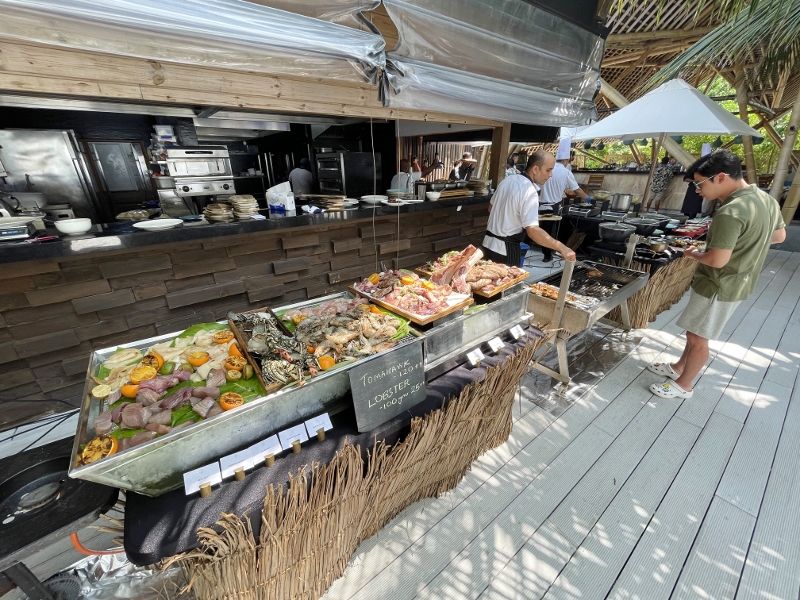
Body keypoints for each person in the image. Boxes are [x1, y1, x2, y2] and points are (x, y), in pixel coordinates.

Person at [647, 149, 786, 399]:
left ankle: (684, 385)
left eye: (699, 184)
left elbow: (716, 260)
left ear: (721, 177)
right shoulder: (766, 200)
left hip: (718, 284)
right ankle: (679, 367)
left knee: (697, 337)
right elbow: (778, 236)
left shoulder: (732, 211)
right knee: (696, 330)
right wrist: (745, 247)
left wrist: (693, 254)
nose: (697, 190)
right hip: (740, 280)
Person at [482, 151, 576, 267]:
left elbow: (491, 208)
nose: (551, 174)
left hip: (487, 245)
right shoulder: (530, 191)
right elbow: (533, 231)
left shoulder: (507, 181)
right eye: (548, 170)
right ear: (535, 169)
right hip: (505, 252)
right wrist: (562, 247)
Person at [539, 151, 588, 262]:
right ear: (566, 160)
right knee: (550, 232)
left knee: (539, 230)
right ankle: (548, 255)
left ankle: (539, 252)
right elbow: (577, 190)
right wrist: (589, 198)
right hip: (553, 207)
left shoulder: (545, 169)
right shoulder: (566, 172)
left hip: (539, 205)